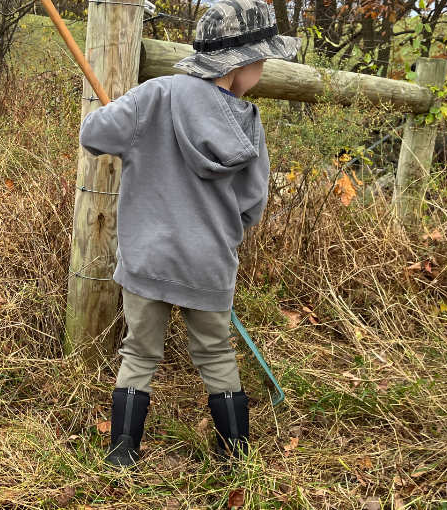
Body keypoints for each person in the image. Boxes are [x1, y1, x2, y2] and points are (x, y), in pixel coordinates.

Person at [77, 0, 299, 467]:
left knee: (138, 353)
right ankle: (235, 457)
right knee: (216, 354)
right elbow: (252, 205)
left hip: (147, 259)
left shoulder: (154, 96)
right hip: (209, 264)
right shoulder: (248, 124)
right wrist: (219, 236)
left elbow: (94, 133)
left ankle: (122, 456)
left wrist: (125, 112)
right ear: (239, 65)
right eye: (260, 60)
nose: (262, 70)